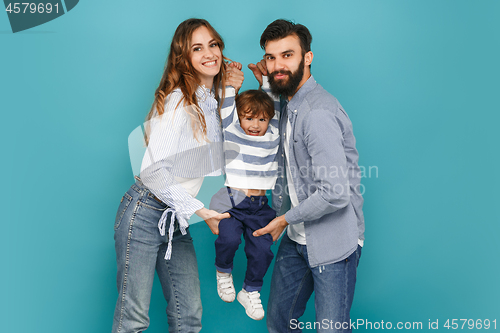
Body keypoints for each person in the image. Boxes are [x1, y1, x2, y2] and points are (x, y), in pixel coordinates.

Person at [112, 18, 243, 333]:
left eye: (213, 44)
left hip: (174, 217)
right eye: (197, 48)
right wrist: (199, 210)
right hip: (145, 211)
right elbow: (151, 171)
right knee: (133, 319)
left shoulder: (210, 102)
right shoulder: (179, 100)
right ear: (184, 58)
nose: (209, 53)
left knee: (189, 317)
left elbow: (221, 159)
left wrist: (232, 93)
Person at [249, 19, 365, 332]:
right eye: (271, 58)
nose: (277, 66)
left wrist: (284, 219)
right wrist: (264, 85)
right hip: (297, 238)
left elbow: (335, 193)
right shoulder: (291, 104)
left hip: (333, 241)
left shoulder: (316, 113)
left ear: (307, 57)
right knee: (279, 323)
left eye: (287, 55)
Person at [209, 79, 279, 320]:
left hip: (260, 207)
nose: (255, 124)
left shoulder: (273, 134)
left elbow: (274, 106)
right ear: (239, 118)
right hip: (232, 201)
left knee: (263, 250)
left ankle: (250, 290)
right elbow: (228, 108)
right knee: (228, 239)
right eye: (249, 118)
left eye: (261, 119)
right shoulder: (232, 131)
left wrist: (267, 83)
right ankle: (223, 272)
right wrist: (229, 86)